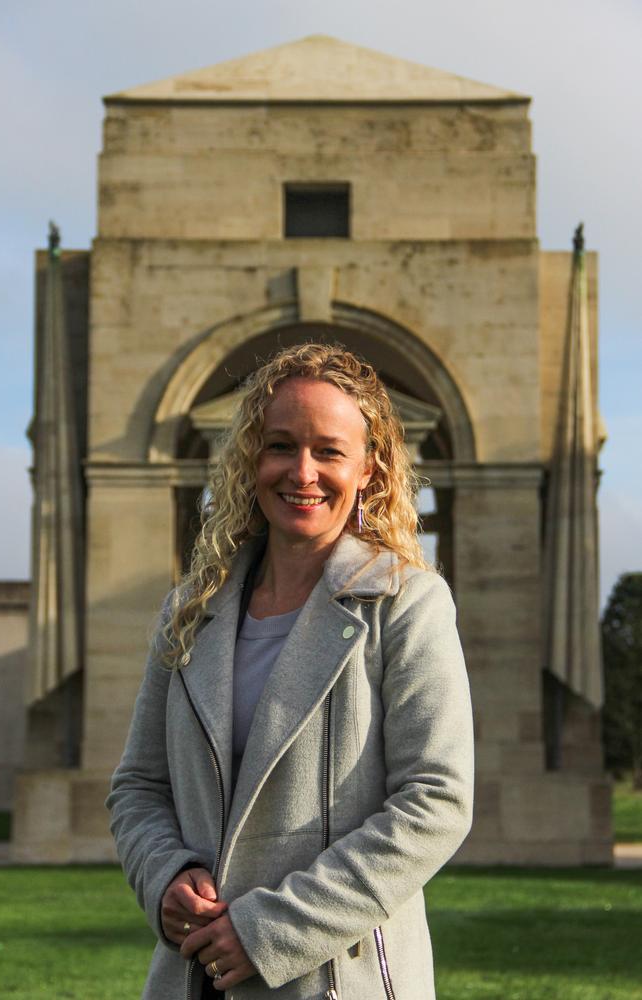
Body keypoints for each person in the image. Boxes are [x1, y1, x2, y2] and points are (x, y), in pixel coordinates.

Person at [107, 343, 474, 1000]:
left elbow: (435, 804)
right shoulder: (188, 611)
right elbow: (138, 785)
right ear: (252, 458)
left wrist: (267, 929)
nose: (301, 471)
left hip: (335, 978)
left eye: (329, 451)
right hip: (194, 976)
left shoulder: (408, 604)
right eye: (280, 445)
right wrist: (164, 877)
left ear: (369, 469)